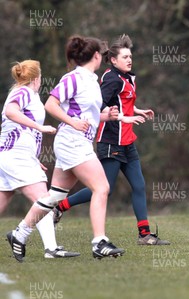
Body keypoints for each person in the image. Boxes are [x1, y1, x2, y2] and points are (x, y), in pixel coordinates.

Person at [7, 35, 125, 261]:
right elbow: (50, 104)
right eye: (103, 54)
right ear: (97, 55)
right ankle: (99, 241)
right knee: (102, 187)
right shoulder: (74, 78)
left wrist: (105, 116)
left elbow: (84, 114)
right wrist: (72, 123)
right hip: (72, 141)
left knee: (55, 196)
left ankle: (20, 233)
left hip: (75, 141)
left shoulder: (91, 80)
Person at [52, 34, 169, 246]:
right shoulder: (111, 78)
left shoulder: (126, 78)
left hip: (127, 141)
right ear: (113, 60)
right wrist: (123, 117)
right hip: (111, 141)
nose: (129, 60)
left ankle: (144, 234)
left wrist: (137, 110)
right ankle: (60, 206)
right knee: (105, 188)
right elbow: (99, 106)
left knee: (139, 185)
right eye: (124, 56)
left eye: (130, 56)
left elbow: (119, 104)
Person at [2, 60, 79, 261]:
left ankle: (48, 247)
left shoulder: (29, 94)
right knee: (44, 198)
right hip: (15, 156)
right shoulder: (24, 91)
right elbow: (11, 112)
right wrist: (40, 128)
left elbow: (20, 128)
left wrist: (34, 157)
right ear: (36, 78)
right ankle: (50, 248)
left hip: (14, 156)